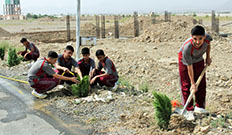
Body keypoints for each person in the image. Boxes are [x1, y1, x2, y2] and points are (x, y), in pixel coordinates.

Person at [178, 25, 212, 120]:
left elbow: (208, 45)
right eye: (195, 39)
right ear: (191, 37)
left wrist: (208, 57)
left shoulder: (208, 39)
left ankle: (199, 107)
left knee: (201, 83)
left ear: (204, 37)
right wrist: (193, 83)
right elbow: (190, 67)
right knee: (186, 84)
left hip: (198, 58)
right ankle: (188, 110)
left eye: (200, 39)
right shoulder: (187, 48)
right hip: (185, 61)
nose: (198, 42)